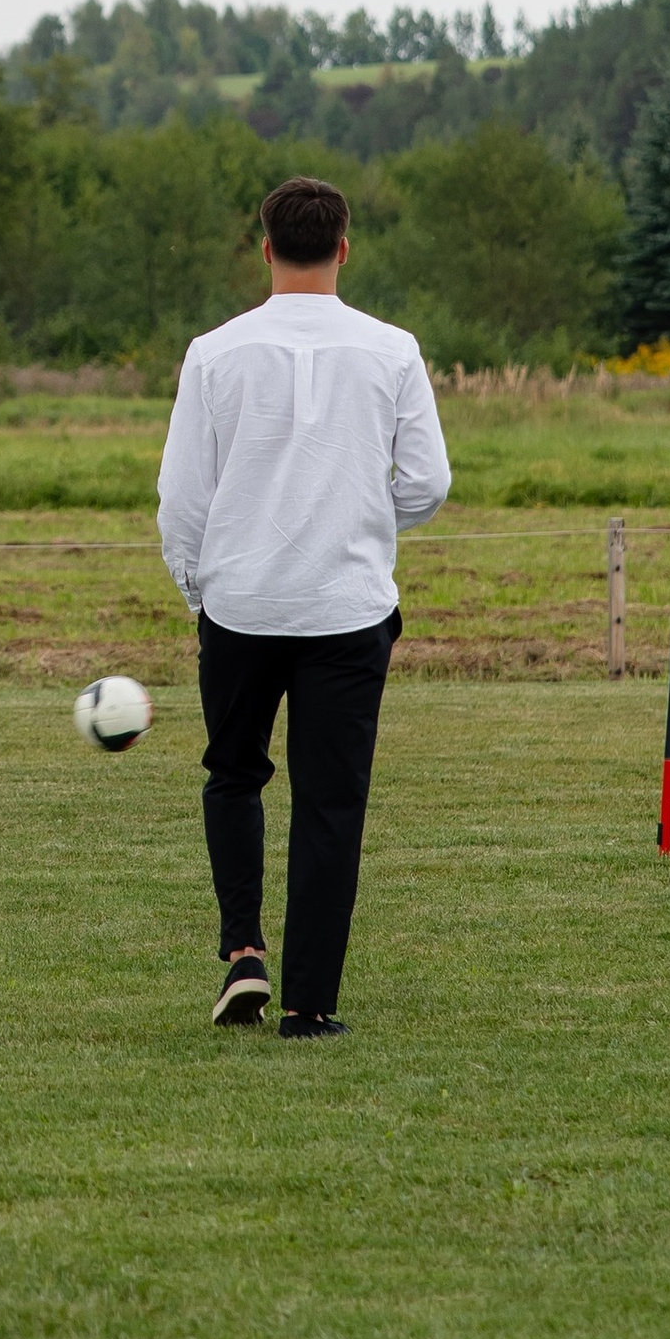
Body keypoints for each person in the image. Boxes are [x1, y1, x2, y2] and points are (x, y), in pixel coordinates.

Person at [157, 176, 449, 1037]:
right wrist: (358, 515)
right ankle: (309, 1005)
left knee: (234, 774)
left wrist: (198, 591)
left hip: (240, 604)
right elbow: (429, 484)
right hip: (348, 610)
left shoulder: (213, 351)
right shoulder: (394, 350)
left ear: (265, 248)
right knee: (329, 804)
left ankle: (243, 949)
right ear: (345, 248)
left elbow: (182, 497)